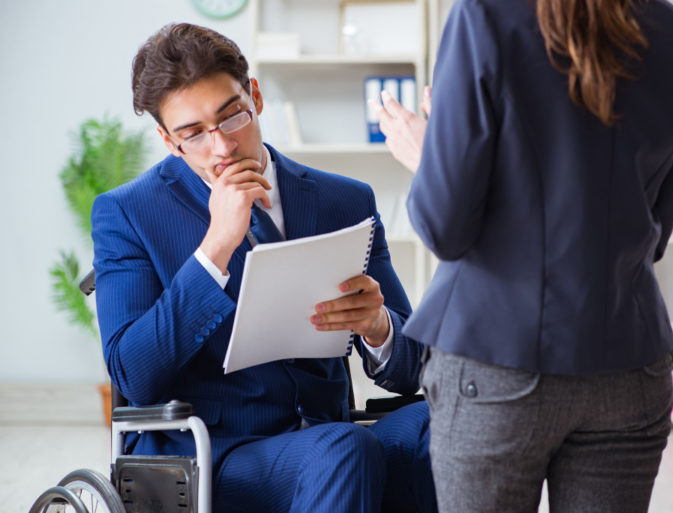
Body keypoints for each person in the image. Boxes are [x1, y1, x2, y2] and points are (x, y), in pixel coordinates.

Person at [372, 0, 673, 511]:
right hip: (629, 363)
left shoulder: (484, 16)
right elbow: (654, 233)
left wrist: (429, 155)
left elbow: (446, 228)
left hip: (496, 362)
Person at [91, 23, 436, 513]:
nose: (222, 147)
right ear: (169, 141)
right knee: (344, 449)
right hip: (214, 455)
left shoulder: (345, 200)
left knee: (443, 422)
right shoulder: (129, 213)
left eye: (231, 117)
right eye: (194, 134)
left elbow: (411, 370)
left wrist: (378, 326)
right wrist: (215, 249)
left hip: (328, 435)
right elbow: (133, 375)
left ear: (254, 97)